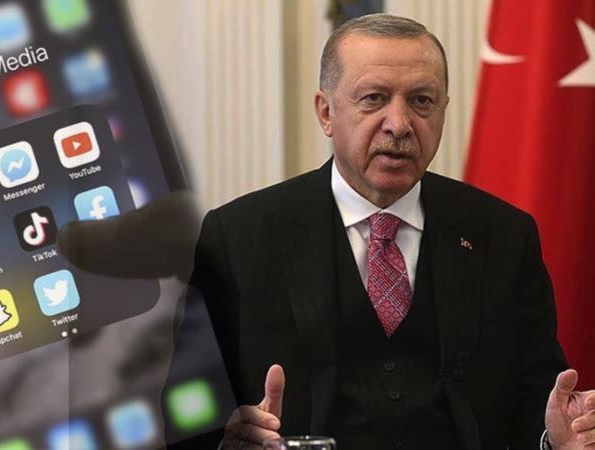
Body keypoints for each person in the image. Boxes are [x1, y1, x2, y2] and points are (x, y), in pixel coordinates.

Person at [180, 14, 595, 450]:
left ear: (443, 111)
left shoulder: (504, 235)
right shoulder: (238, 237)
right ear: (326, 112)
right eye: (374, 98)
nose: (399, 124)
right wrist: (224, 438)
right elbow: (185, 409)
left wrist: (555, 440)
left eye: (421, 101)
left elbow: (537, 401)